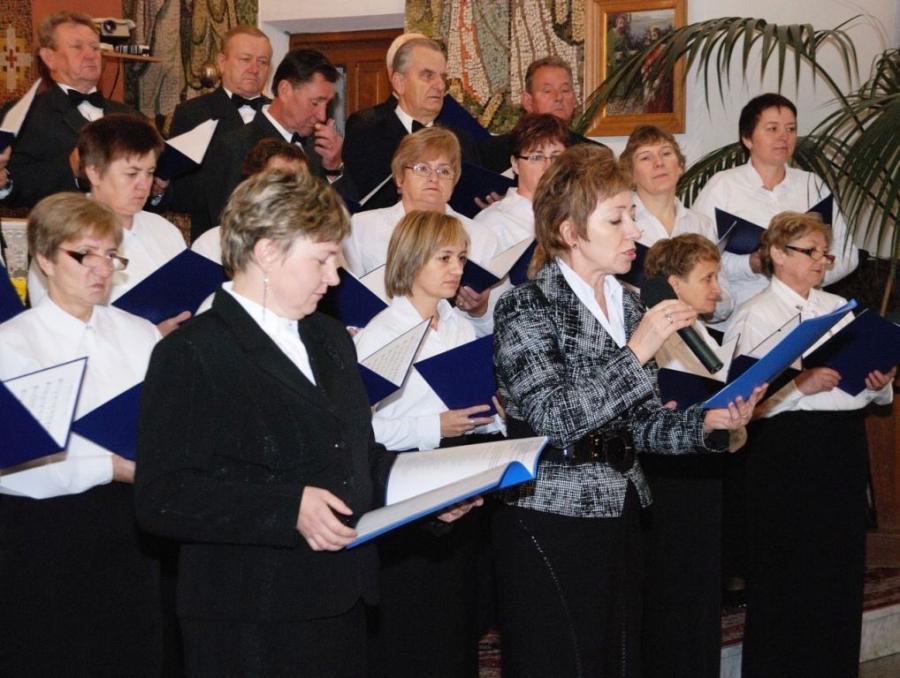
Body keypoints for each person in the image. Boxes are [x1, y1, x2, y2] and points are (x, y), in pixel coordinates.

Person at [491, 144, 762, 677]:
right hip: (551, 513)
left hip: (622, 507)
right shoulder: (526, 306)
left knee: (618, 660)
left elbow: (641, 423)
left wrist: (706, 424)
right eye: (616, 219)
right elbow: (554, 418)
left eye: (632, 215)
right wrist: (636, 350)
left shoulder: (630, 303)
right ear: (570, 231)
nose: (634, 231)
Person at [723, 211, 894, 678]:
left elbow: (867, 385)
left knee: (839, 567)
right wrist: (799, 386)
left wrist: (879, 384)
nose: (821, 261)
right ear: (778, 254)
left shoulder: (839, 308)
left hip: (841, 444)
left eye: (825, 253)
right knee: (787, 570)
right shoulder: (754, 314)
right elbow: (739, 402)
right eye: (810, 251)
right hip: (785, 449)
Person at [0, 193, 162, 675]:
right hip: (46, 530)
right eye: (84, 254)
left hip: (133, 522)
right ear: (46, 259)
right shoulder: (13, 343)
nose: (101, 268)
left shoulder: (140, 332)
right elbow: (12, 465)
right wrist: (108, 466)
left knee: (133, 650)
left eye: (110, 255)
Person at [354, 210, 500, 678]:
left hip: (456, 473)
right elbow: (359, 430)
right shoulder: (383, 332)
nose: (457, 269)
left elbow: (470, 405)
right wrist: (432, 426)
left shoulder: (457, 324)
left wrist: (491, 415)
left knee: (455, 616)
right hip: (402, 479)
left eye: (461, 258)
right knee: (413, 618)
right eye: (444, 258)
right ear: (412, 260)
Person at [640, 233, 732, 678]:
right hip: (668, 478)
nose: (718, 290)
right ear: (674, 284)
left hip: (703, 471)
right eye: (707, 278)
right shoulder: (652, 334)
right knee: (671, 593)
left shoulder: (701, 334)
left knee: (700, 591)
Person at [692, 93, 858, 316]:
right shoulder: (722, 187)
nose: (784, 137)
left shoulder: (811, 185)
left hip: (806, 312)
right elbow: (697, 260)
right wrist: (750, 264)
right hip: (743, 314)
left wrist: (805, 275)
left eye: (791, 129)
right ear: (747, 138)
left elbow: (847, 254)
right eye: (772, 129)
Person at [27, 114, 189, 336]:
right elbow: (52, 328)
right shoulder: (62, 234)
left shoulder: (165, 230)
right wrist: (149, 337)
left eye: (150, 173)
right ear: (94, 172)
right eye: (132, 174)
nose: (144, 185)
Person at [2, 11, 142, 208]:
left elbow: (161, 194)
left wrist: (158, 189)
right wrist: (71, 170)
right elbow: (13, 185)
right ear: (49, 58)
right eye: (77, 47)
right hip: (58, 224)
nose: (91, 55)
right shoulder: (26, 114)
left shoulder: (130, 116)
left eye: (95, 47)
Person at [203, 47, 352, 227]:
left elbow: (344, 219)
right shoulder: (233, 147)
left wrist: (334, 167)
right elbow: (229, 225)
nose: (322, 115)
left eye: (326, 104)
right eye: (315, 103)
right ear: (285, 90)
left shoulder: (321, 148)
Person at [343, 36, 482, 209]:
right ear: (399, 83)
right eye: (428, 75)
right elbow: (354, 200)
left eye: (443, 77)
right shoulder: (367, 135)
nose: (440, 86)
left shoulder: (462, 141)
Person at [342, 126, 499, 279]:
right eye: (422, 168)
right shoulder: (362, 227)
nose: (434, 178)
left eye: (444, 171)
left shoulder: (480, 238)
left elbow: (495, 295)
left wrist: (479, 299)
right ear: (400, 178)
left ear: (453, 183)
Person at [169, 25, 273, 239]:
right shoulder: (192, 113)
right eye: (245, 59)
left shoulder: (279, 113)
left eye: (262, 62)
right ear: (222, 62)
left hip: (275, 236)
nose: (254, 69)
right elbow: (181, 191)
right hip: (214, 238)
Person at [619, 124, 732, 320]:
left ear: (680, 166)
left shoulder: (701, 225)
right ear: (631, 173)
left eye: (666, 154)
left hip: (693, 330)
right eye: (646, 158)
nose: (659, 163)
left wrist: (702, 297)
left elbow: (724, 302)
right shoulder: (620, 224)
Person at [479, 56, 607, 174]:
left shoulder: (594, 155)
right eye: (547, 91)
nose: (558, 97)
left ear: (574, 99)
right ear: (528, 101)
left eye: (565, 90)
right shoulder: (494, 151)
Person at [191, 137, 308, 264]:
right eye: (281, 180)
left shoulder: (313, 245)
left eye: (303, 181)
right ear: (251, 186)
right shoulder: (214, 245)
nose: (293, 190)